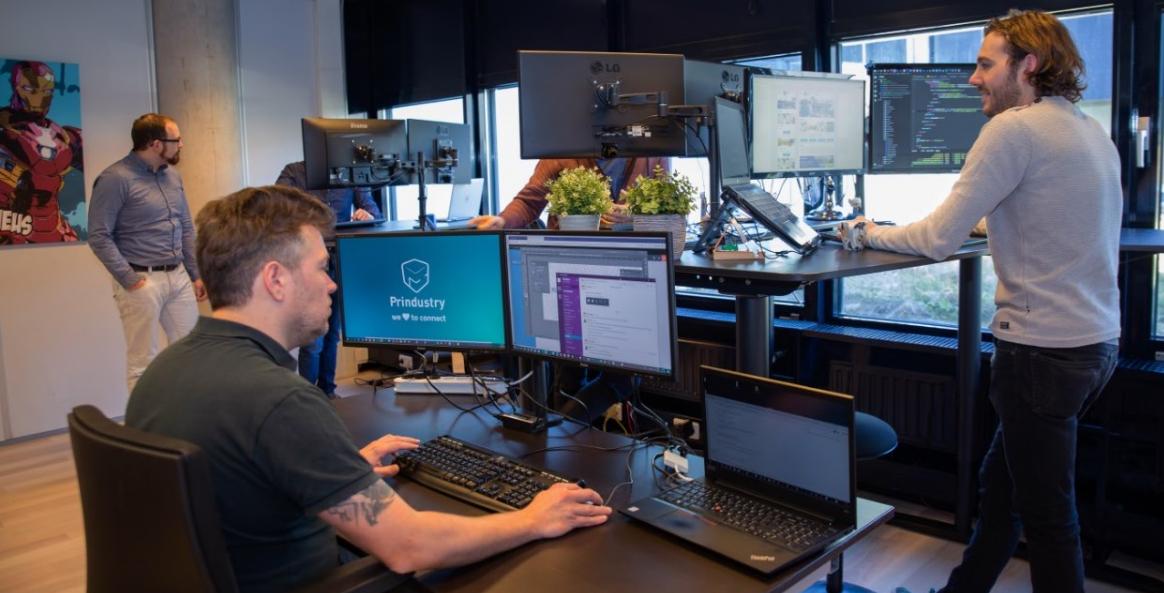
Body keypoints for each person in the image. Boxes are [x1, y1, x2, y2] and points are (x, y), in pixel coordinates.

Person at [125, 184, 611, 593]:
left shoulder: (166, 370)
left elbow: (240, 484)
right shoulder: (279, 401)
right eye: (321, 267)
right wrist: (534, 518)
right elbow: (410, 546)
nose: (332, 285)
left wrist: (336, 470)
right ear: (275, 279)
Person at [840, 10, 1121, 593]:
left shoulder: (1013, 129)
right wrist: (990, 228)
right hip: (1095, 348)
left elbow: (935, 238)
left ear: (1028, 65)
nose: (973, 79)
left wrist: (866, 232)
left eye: (985, 64)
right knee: (1002, 491)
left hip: (1040, 356)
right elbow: (1059, 221)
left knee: (1048, 518)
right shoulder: (1089, 130)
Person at [89, 113, 207, 394]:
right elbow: (98, 235)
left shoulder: (173, 176)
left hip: (178, 276)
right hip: (141, 280)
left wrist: (195, 274)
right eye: (176, 139)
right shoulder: (115, 179)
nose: (181, 144)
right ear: (155, 144)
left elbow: (185, 226)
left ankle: (185, 416)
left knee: (192, 354)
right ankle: (143, 422)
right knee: (142, 363)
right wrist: (129, 279)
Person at [276, 160, 383, 396]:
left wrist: (367, 215)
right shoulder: (294, 172)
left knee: (333, 334)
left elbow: (375, 213)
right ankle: (305, 397)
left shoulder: (351, 173)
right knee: (313, 340)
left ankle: (328, 392)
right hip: (309, 264)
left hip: (339, 261)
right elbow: (276, 210)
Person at [0, 60, 83, 244]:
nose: (39, 98)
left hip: (51, 231)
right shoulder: (5, 131)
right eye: (30, 89)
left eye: (47, 91)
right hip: (9, 230)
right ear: (16, 87)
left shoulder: (65, 137)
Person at [470, 157, 668, 229]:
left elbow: (667, 212)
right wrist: (503, 221)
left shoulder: (652, 151)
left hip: (634, 261)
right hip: (571, 260)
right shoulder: (562, 150)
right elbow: (530, 201)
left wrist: (636, 215)